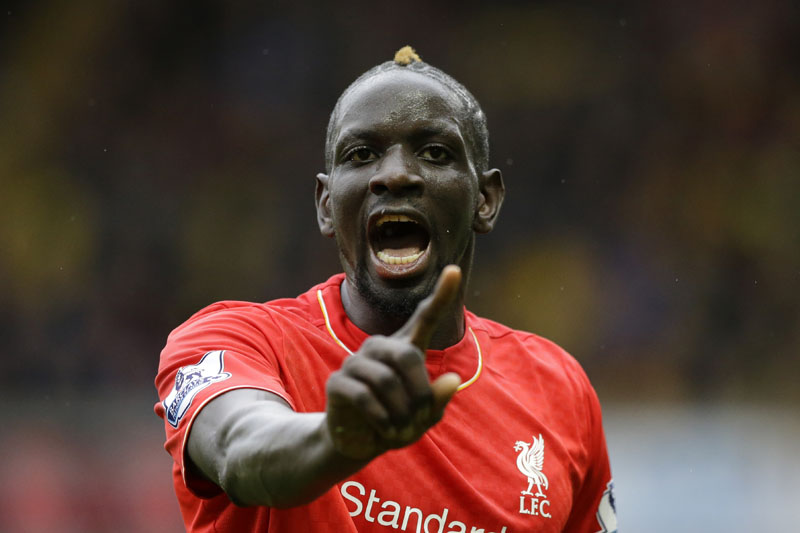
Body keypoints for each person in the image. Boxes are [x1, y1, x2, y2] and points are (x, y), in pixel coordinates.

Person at [155, 46, 617, 533]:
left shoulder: (560, 391)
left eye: (435, 152)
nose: (395, 174)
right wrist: (335, 442)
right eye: (362, 154)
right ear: (327, 204)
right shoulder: (235, 341)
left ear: (485, 200)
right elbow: (239, 449)